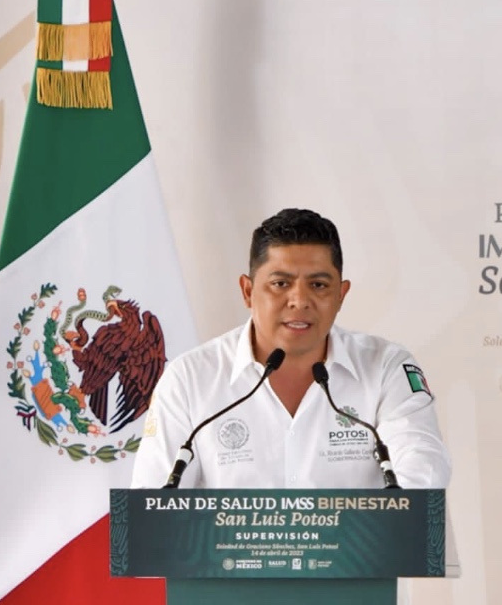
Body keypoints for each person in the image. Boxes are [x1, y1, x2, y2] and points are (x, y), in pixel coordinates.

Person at [131, 207, 451, 490]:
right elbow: (154, 498)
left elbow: (422, 471)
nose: (299, 301)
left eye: (318, 285)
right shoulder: (190, 378)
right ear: (247, 291)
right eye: (280, 284)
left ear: (341, 295)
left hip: (361, 543)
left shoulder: (386, 367)